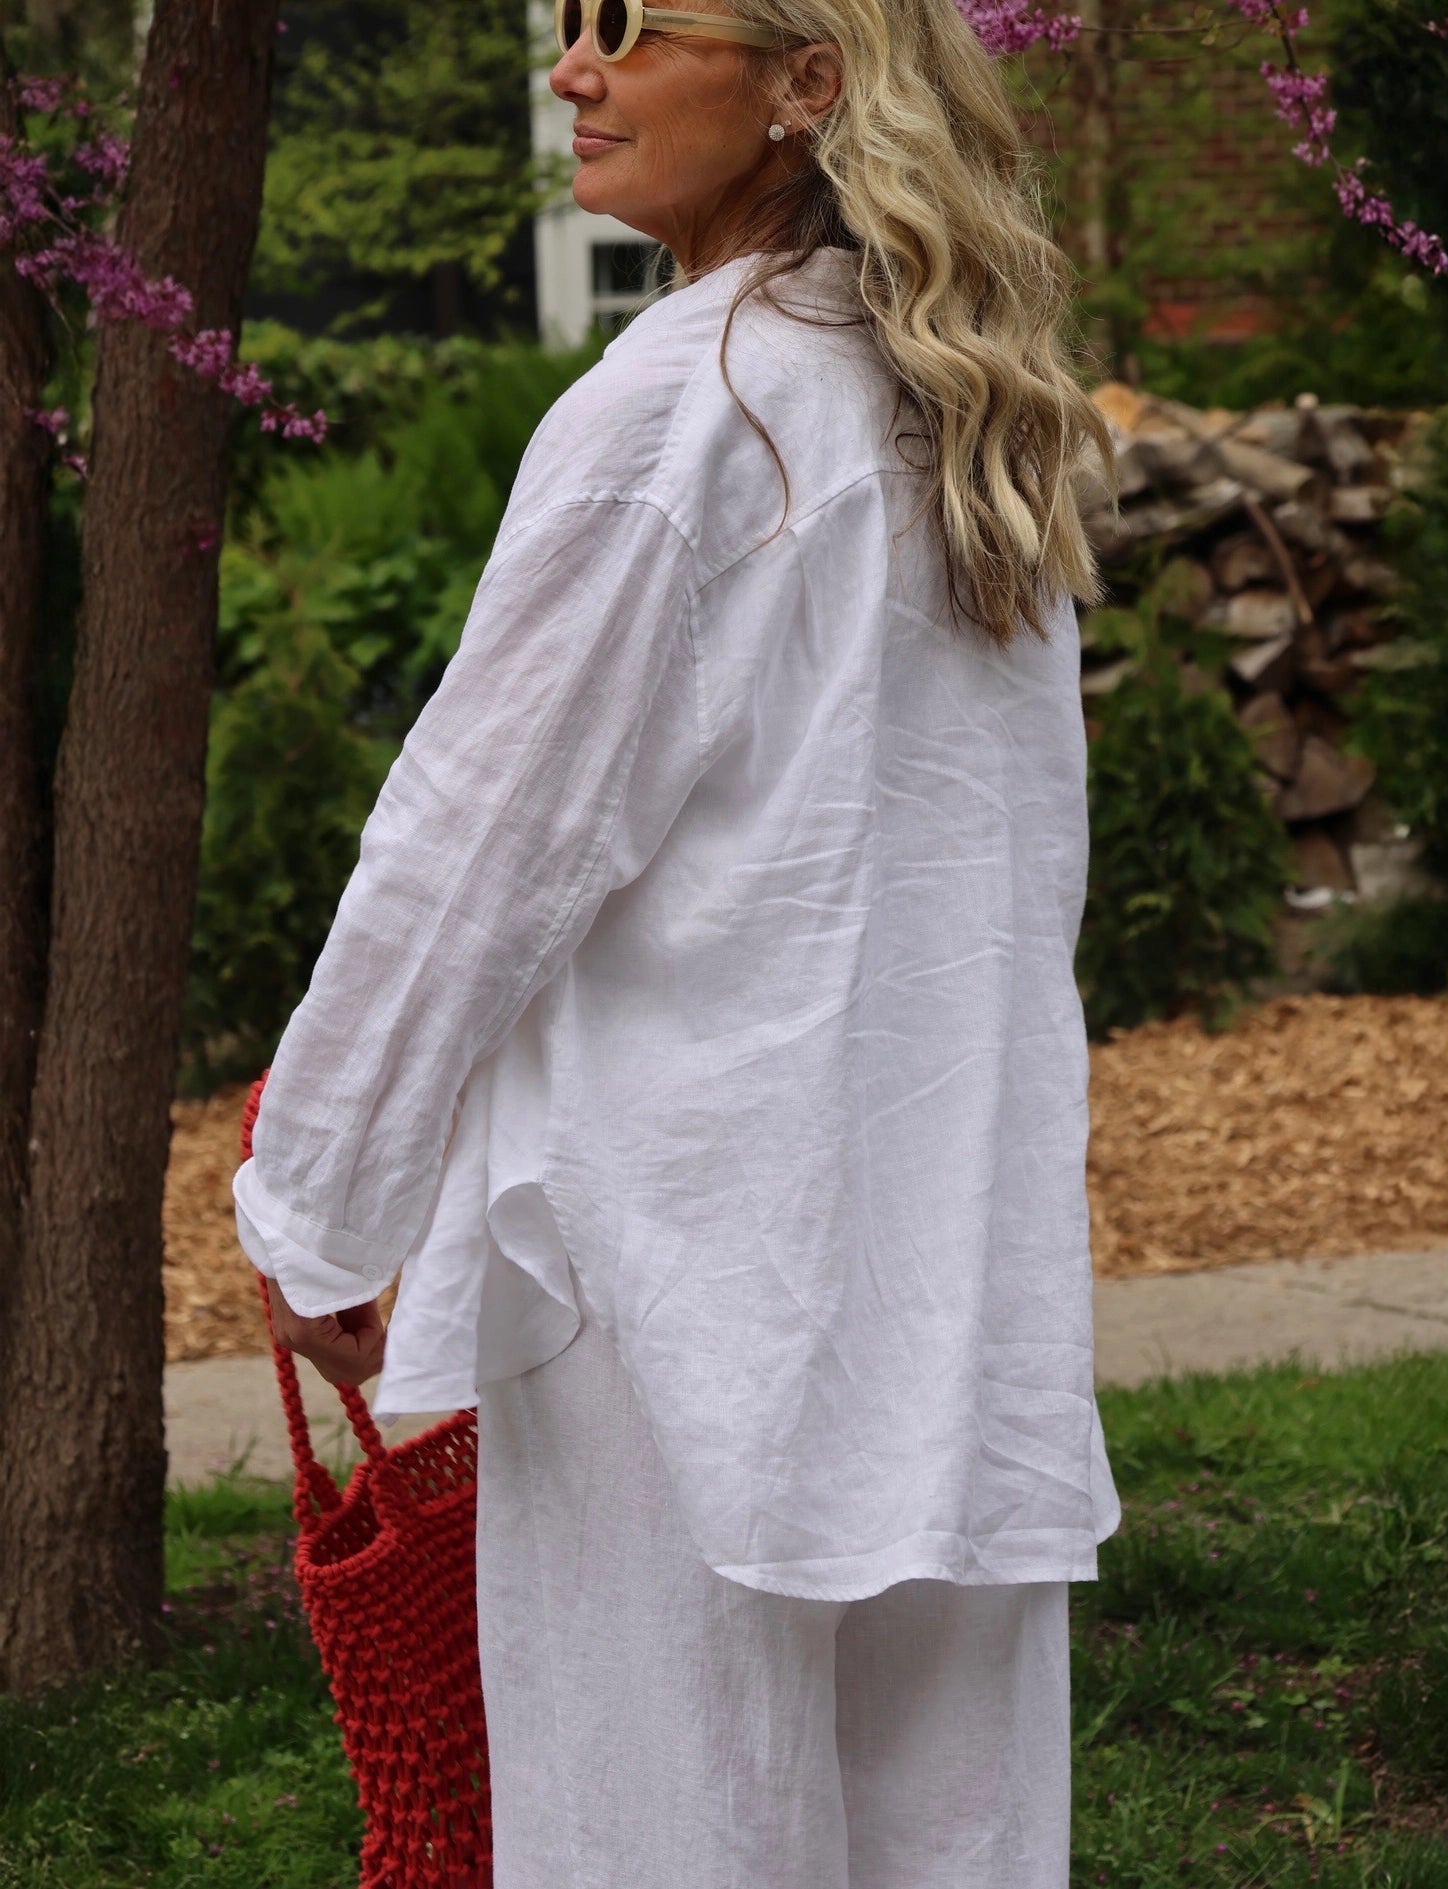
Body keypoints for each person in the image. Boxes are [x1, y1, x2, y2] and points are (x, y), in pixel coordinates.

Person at [232, 0, 1124, 1880]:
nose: (572, 68)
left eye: (627, 24)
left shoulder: (681, 408)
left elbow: (476, 851)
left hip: (681, 1276)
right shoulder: (976, 414)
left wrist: (315, 1201)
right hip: (947, 1276)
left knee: (670, 1824)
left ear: (807, 83)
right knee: (950, 1834)